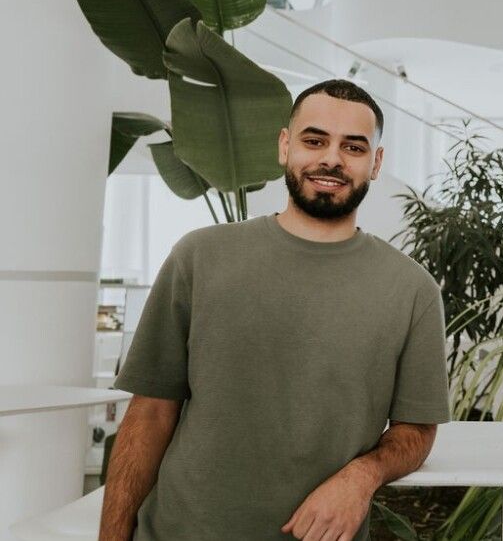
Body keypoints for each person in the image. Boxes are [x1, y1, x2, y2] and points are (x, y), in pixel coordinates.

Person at [99, 79, 450, 541]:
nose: (332, 159)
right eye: (314, 141)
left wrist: (362, 476)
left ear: (376, 163)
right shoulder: (199, 257)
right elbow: (149, 414)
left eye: (353, 147)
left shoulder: (412, 290)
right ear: (285, 146)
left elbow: (416, 430)